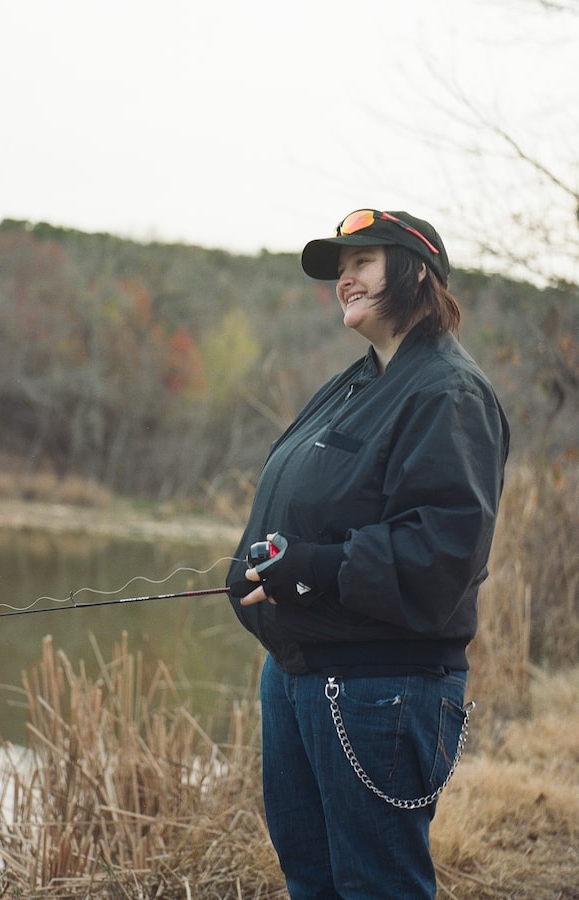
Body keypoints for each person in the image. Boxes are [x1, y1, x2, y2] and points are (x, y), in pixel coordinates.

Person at [226, 209, 510, 900]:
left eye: (363, 262)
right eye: (339, 269)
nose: (345, 279)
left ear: (416, 272)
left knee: (377, 887)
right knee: (310, 881)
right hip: (297, 675)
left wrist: (312, 570)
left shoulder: (448, 391)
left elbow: (440, 553)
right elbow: (301, 502)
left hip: (377, 688)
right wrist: (251, 566)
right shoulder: (354, 384)